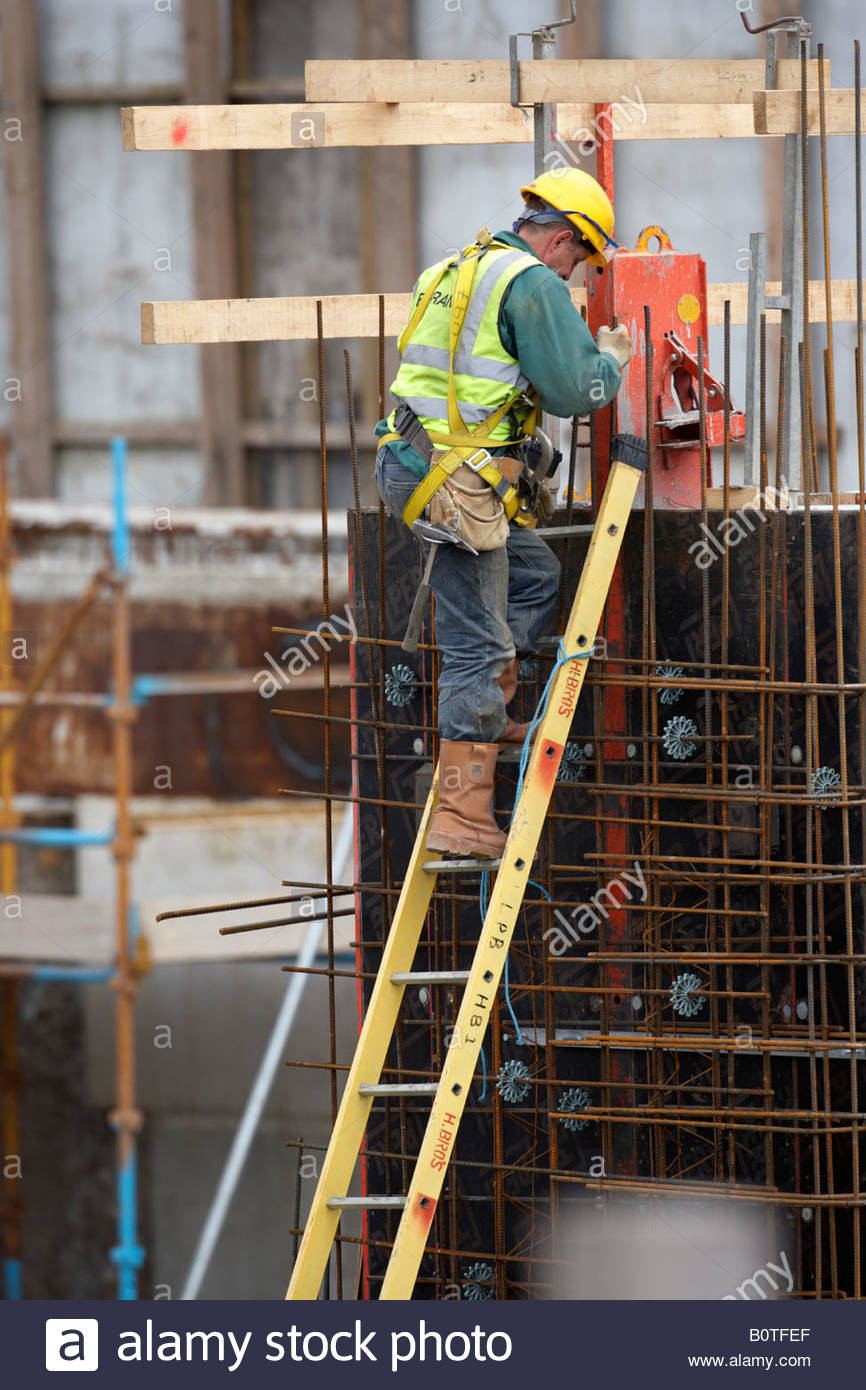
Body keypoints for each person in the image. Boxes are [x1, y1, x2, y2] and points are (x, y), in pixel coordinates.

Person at [374, 167, 633, 859]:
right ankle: (462, 814)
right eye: (580, 258)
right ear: (561, 240)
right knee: (476, 648)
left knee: (534, 572)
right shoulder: (532, 282)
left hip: (418, 461)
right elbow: (576, 388)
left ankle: (492, 718)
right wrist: (609, 362)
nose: (576, 274)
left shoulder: (457, 266)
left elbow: (459, 379)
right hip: (453, 484)